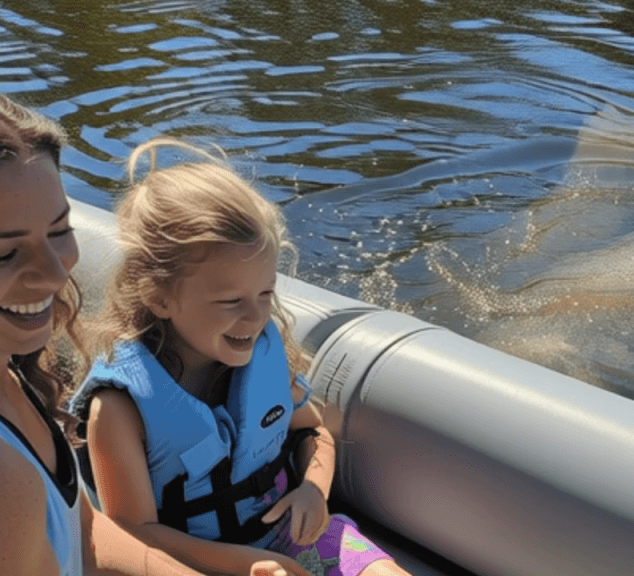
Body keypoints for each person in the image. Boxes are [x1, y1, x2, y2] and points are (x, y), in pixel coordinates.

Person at [69, 137, 409, 576]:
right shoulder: (118, 409)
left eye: (265, 293)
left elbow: (312, 432)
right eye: (231, 301)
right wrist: (250, 563)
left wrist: (312, 490)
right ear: (158, 296)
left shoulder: (264, 353)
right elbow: (134, 532)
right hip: (190, 565)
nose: (256, 316)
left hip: (288, 535)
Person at [0, 94, 306, 576]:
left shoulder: (16, 384)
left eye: (59, 231)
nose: (55, 271)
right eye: (5, 254)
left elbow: (90, 532)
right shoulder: (7, 483)